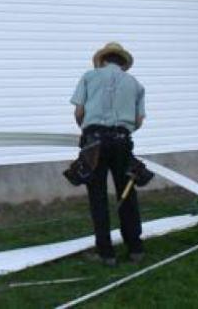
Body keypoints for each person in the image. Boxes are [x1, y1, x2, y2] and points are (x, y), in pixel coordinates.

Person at [70, 42, 146, 266]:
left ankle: (106, 253)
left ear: (102, 60)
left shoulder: (89, 77)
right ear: (122, 62)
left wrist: (86, 129)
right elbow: (139, 120)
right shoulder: (135, 84)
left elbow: (79, 111)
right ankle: (135, 248)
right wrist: (124, 131)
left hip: (94, 142)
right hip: (122, 142)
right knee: (127, 194)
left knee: (98, 196)